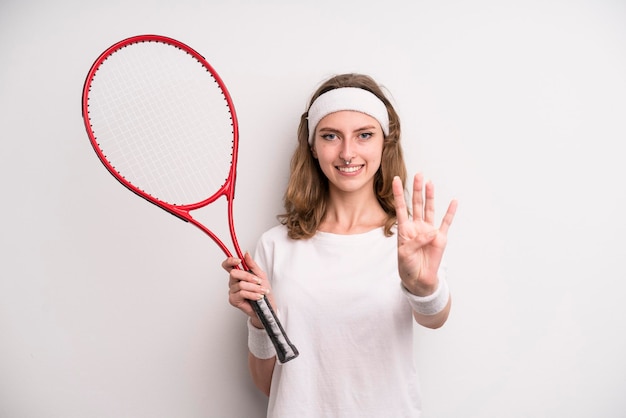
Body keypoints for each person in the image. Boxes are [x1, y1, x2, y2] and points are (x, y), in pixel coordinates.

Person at [222, 73, 458, 417]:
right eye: (331, 136)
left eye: (364, 135)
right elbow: (268, 384)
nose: (348, 153)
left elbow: (434, 318)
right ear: (313, 148)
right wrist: (260, 321)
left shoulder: (408, 241)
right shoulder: (275, 246)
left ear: (384, 143)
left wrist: (423, 287)